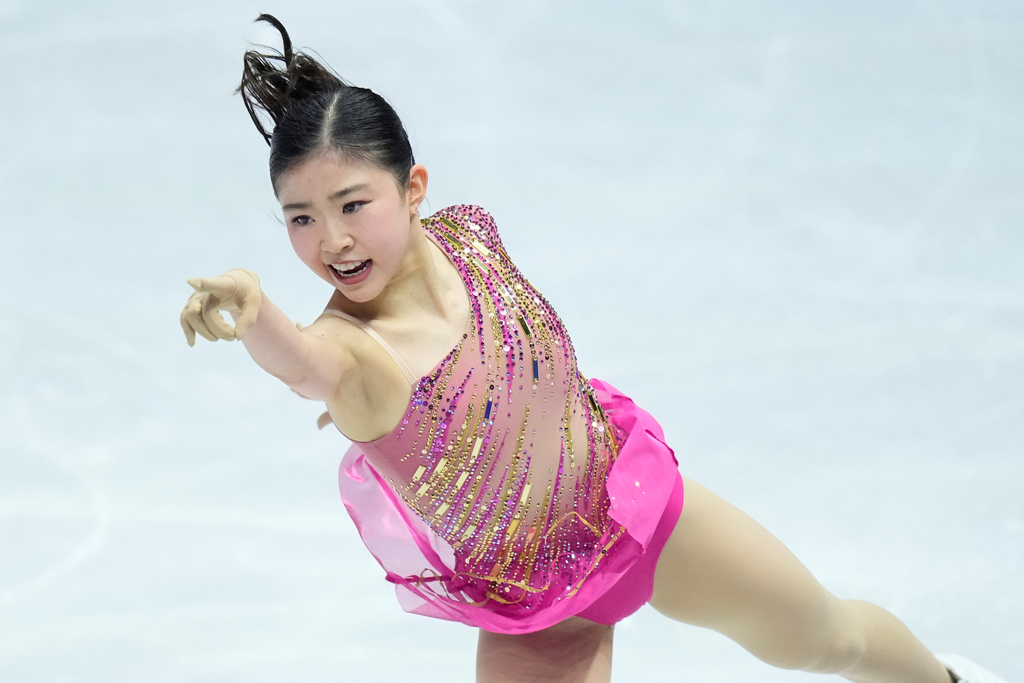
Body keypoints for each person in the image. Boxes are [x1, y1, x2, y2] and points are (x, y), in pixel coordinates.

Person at [180, 14, 1008, 683]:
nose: (331, 239)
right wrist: (259, 315)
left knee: (825, 634)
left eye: (352, 204)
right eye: (300, 218)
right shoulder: (353, 349)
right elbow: (307, 364)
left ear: (415, 188)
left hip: (632, 502)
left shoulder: (468, 234)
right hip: (541, 606)